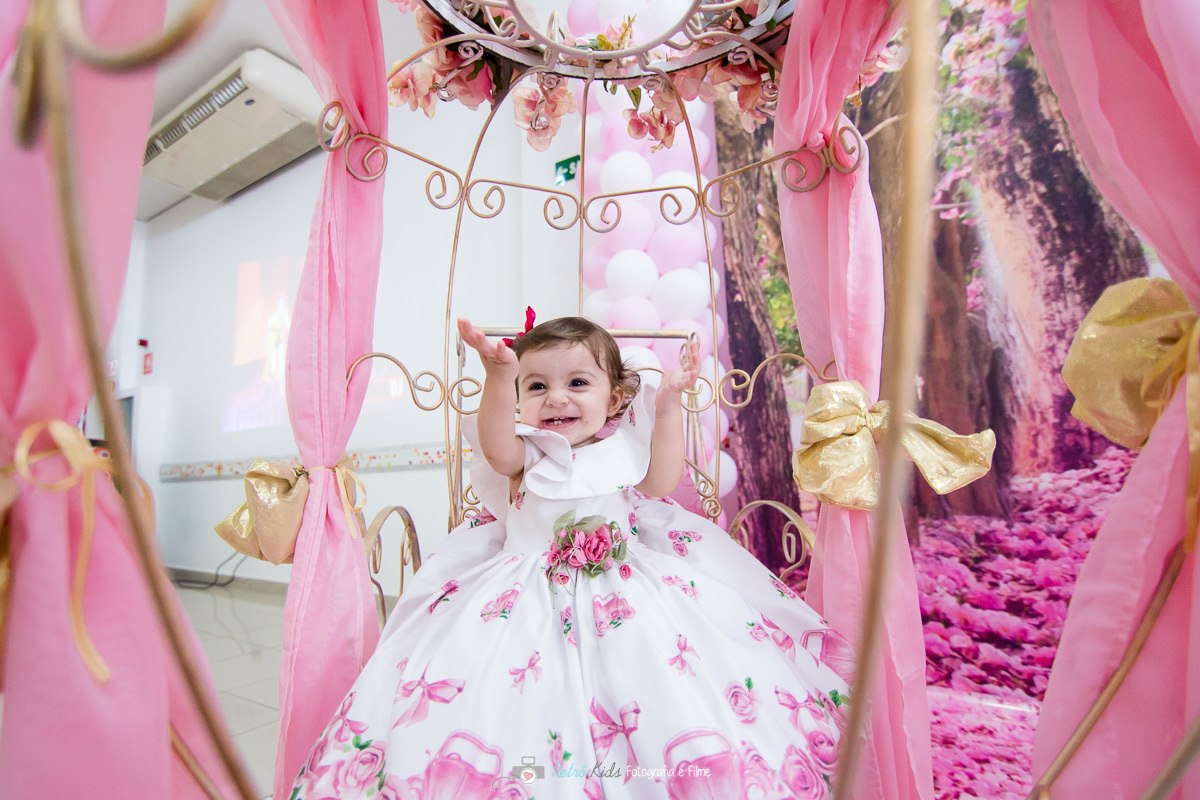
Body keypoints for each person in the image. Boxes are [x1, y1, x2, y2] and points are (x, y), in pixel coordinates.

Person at [290, 315, 856, 800]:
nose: (556, 398)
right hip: (524, 595)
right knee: (505, 697)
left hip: (629, 592)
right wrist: (498, 376)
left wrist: (666, 410)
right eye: (536, 387)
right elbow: (494, 442)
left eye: (577, 382)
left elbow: (660, 483)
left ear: (612, 398)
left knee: (663, 686)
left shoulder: (622, 451)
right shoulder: (524, 454)